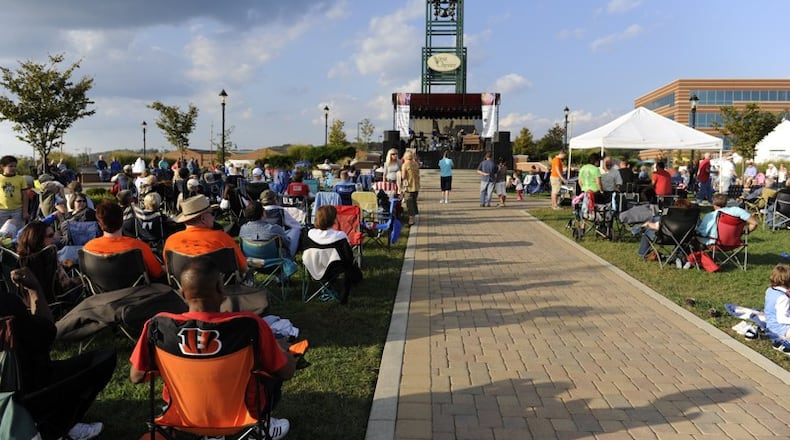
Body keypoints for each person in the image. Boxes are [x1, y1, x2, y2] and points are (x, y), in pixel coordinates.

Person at [129, 258, 294, 440]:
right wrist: (284, 351)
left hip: (181, 417)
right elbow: (285, 371)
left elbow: (137, 376)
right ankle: (261, 429)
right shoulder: (249, 325)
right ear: (221, 289)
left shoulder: (158, 326)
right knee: (274, 367)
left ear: (182, 293)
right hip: (242, 416)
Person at [1, 267, 116, 440]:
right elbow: (48, 334)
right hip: (23, 393)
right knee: (103, 359)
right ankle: (58, 426)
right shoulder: (6, 304)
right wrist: (35, 289)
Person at [163, 195, 248, 272]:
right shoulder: (222, 238)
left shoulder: (171, 240)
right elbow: (243, 266)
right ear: (203, 219)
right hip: (220, 287)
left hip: (184, 286)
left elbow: (168, 267)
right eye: (212, 214)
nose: (213, 217)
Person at [83, 200, 164, 280]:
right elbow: (157, 273)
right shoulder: (139, 247)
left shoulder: (88, 249)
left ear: (100, 224)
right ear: (122, 221)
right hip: (137, 291)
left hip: (101, 292)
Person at [305, 205, 363, 304]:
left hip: (313, 266)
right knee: (349, 267)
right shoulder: (339, 236)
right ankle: (344, 297)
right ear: (334, 219)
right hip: (333, 269)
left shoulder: (310, 234)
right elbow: (348, 258)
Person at [260, 190, 302, 258]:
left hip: (259, 243)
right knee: (296, 229)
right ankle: (289, 256)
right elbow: (296, 226)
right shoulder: (280, 211)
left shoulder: (258, 212)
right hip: (276, 245)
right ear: (275, 199)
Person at [0, 155, 30, 230]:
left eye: (15, 166)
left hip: (17, 210)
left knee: (18, 230)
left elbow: (25, 196)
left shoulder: (20, 179)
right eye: (10, 166)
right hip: (2, 210)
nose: (13, 168)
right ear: (2, 166)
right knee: (2, 231)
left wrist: (25, 211)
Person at [764, 264, 790, 340]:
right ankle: (783, 340)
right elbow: (782, 319)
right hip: (780, 328)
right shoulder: (783, 298)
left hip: (770, 323)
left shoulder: (770, 290)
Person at [401, 150, 420, 225]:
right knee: (414, 202)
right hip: (416, 186)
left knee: (409, 203)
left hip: (408, 187)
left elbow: (403, 176)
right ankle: (414, 218)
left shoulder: (405, 165)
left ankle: (411, 220)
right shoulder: (415, 164)